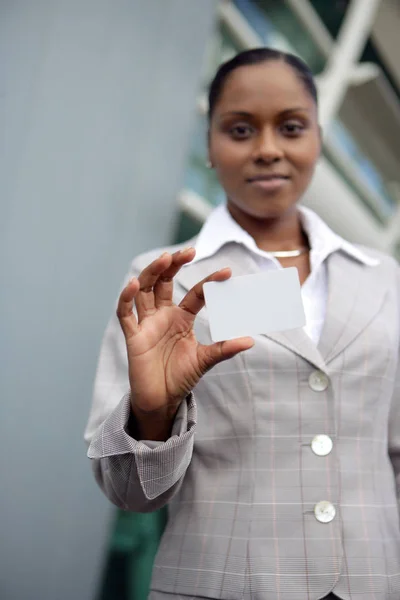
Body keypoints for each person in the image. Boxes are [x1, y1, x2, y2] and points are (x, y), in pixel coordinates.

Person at [85, 48, 400, 600]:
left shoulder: (385, 280)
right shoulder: (166, 281)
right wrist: (152, 413)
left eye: (292, 127)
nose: (268, 149)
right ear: (209, 145)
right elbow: (131, 493)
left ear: (318, 138)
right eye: (239, 129)